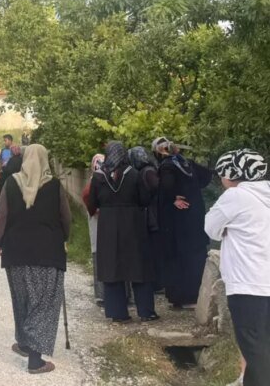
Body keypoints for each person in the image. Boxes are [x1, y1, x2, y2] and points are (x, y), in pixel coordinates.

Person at [0, 144, 71, 374]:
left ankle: (25, 344)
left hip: (16, 251)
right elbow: (66, 217)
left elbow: (2, 215)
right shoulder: (54, 185)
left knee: (23, 299)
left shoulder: (11, 182)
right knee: (43, 303)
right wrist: (64, 238)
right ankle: (35, 360)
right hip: (48, 251)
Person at [205, 149, 270, 386]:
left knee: (254, 349)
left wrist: (227, 229)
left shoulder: (235, 196)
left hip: (247, 283)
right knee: (263, 345)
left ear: (231, 174)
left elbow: (211, 228)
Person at [87, 141, 158, 323]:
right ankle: (146, 312)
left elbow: (92, 202)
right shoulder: (133, 174)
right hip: (132, 223)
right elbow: (144, 199)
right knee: (138, 266)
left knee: (112, 267)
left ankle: (118, 313)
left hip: (108, 225)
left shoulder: (99, 177)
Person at [153, 137, 212, 308]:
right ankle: (197, 295)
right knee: (196, 255)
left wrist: (173, 197)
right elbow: (206, 176)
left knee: (179, 258)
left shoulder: (167, 167)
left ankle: (182, 297)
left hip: (178, 220)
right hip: (195, 214)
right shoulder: (188, 163)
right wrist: (192, 191)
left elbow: (166, 186)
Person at [128, 146, 162, 292]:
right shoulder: (148, 170)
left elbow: (157, 188)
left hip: (153, 215)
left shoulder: (147, 171)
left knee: (154, 250)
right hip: (153, 214)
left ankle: (157, 283)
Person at [82, 154, 105, 306]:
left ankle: (101, 294)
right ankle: (101, 294)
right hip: (99, 225)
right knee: (100, 257)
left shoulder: (93, 181)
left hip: (99, 225)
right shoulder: (98, 181)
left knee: (99, 257)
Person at [0, 134, 14, 212]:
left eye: (5, 140)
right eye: (4, 141)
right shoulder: (3, 150)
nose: (4, 142)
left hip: (10, 173)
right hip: (3, 173)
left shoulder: (14, 150)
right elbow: (0, 162)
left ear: (10, 141)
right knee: (0, 191)